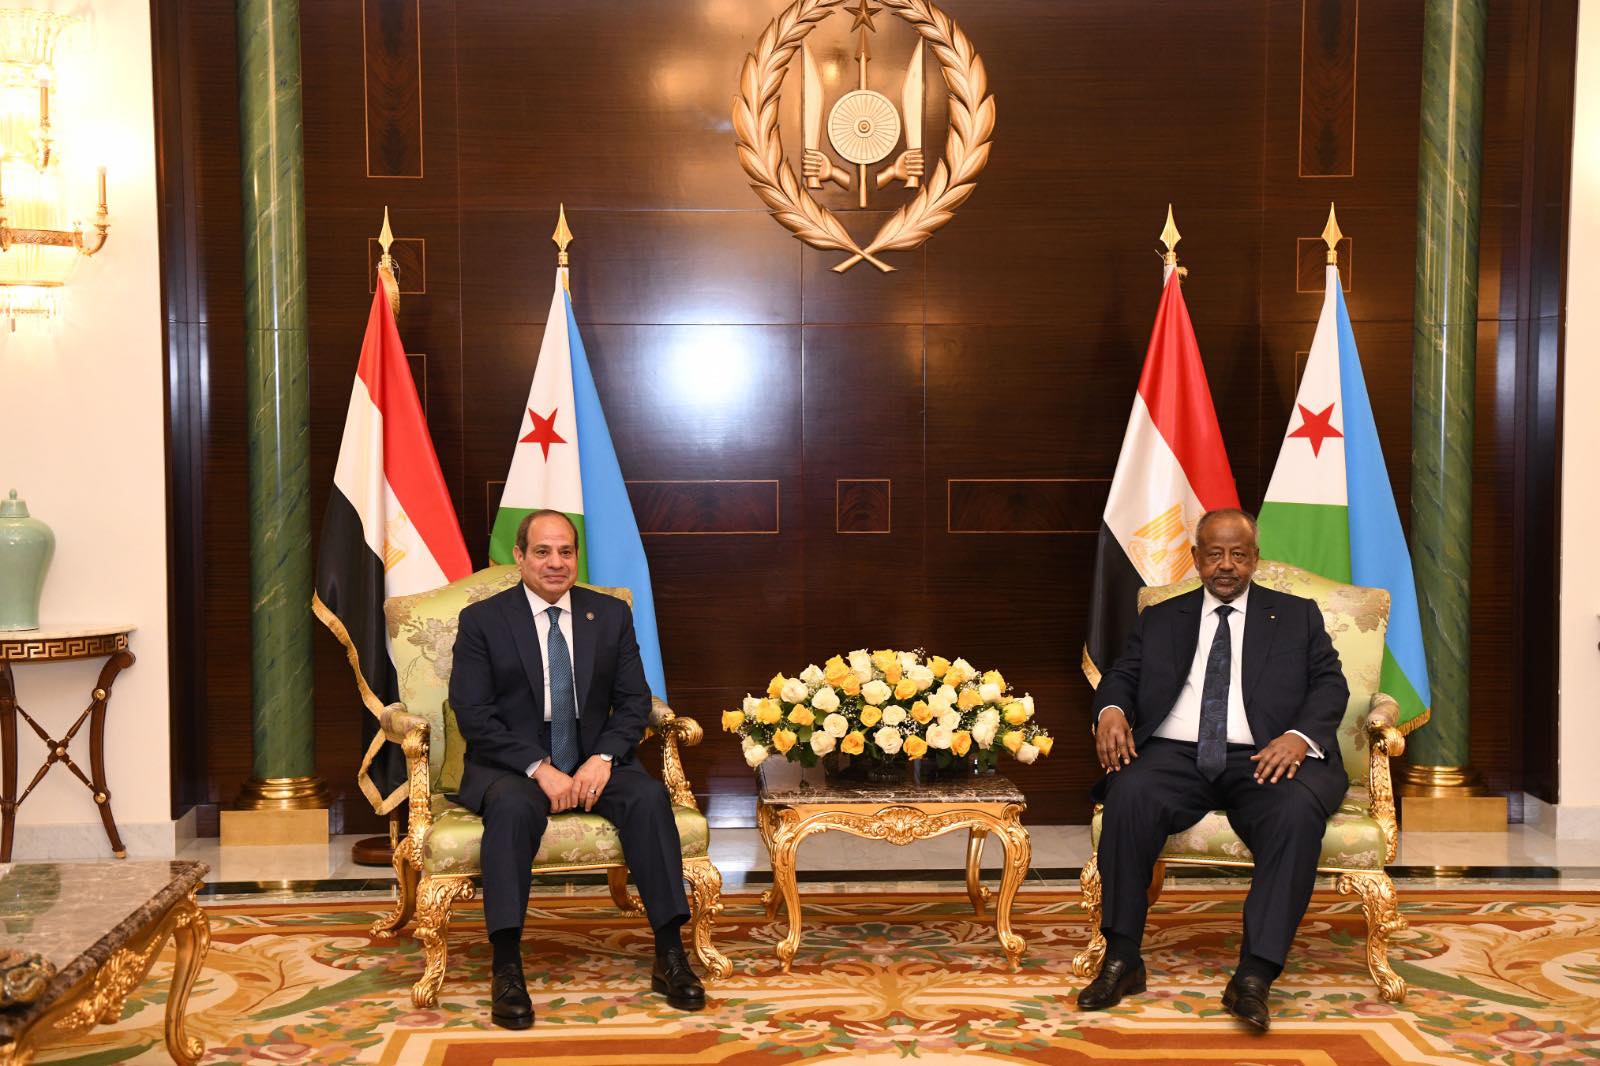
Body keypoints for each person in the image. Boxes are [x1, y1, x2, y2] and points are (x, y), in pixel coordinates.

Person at [1078, 508, 1348, 1032]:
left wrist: (1298, 737)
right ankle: (1123, 957)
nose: (1227, 565)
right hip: (1176, 753)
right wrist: (1110, 711)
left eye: (1239, 554)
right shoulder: (1161, 616)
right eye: (1215, 554)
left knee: (1294, 814)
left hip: (1263, 754)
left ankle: (1255, 974)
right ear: (1196, 558)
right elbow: (1123, 674)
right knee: (1129, 793)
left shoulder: (1297, 615)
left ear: (1255, 559)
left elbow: (1330, 684)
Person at [448, 509, 703, 1030]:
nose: (556, 562)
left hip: (592, 755)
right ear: (519, 556)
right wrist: (538, 767)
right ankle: (507, 966)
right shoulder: (483, 621)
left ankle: (670, 954)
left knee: (648, 799)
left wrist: (603, 758)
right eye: (542, 551)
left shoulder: (608, 615)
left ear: (576, 557)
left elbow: (633, 701)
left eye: (566, 551)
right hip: (513, 761)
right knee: (512, 810)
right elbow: (473, 713)